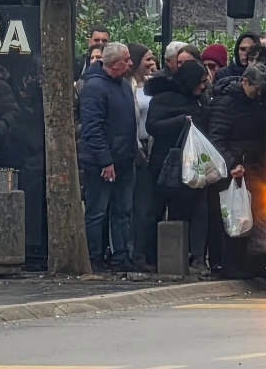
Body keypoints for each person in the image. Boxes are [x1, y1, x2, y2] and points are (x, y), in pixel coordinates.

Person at [78, 41, 140, 272]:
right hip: (101, 163)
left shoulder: (123, 84)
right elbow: (92, 128)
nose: (131, 63)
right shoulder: (94, 88)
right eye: (126, 59)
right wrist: (105, 160)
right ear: (114, 64)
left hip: (124, 159)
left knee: (123, 210)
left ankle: (121, 255)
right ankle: (94, 257)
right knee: (97, 211)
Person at [207, 62, 266, 278]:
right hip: (236, 168)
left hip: (253, 166)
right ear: (245, 82)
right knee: (233, 216)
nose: (259, 93)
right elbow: (217, 137)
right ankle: (230, 265)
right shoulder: (227, 103)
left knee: (248, 216)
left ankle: (248, 263)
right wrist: (232, 163)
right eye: (257, 88)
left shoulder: (256, 102)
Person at [146, 58, 209, 268]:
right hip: (165, 163)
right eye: (200, 81)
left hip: (191, 165)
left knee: (192, 210)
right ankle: (154, 255)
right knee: (157, 209)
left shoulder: (200, 100)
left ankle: (193, 255)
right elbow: (153, 126)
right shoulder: (164, 100)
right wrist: (182, 120)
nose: (204, 86)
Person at [127, 43, 158, 269]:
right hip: (135, 147)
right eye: (146, 59)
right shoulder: (127, 86)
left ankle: (146, 250)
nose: (151, 63)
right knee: (135, 204)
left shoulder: (153, 86)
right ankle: (134, 251)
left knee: (148, 206)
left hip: (151, 146)